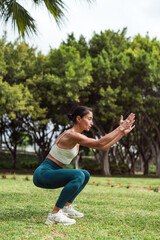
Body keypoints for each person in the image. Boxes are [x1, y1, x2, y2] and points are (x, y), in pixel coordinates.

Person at [33, 106, 135, 226]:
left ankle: (66, 207)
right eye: (89, 119)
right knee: (78, 175)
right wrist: (120, 128)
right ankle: (55, 214)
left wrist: (121, 133)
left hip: (51, 173)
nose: (92, 123)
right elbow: (100, 142)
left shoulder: (77, 138)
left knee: (85, 174)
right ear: (78, 119)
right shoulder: (70, 135)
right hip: (43, 174)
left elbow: (103, 147)